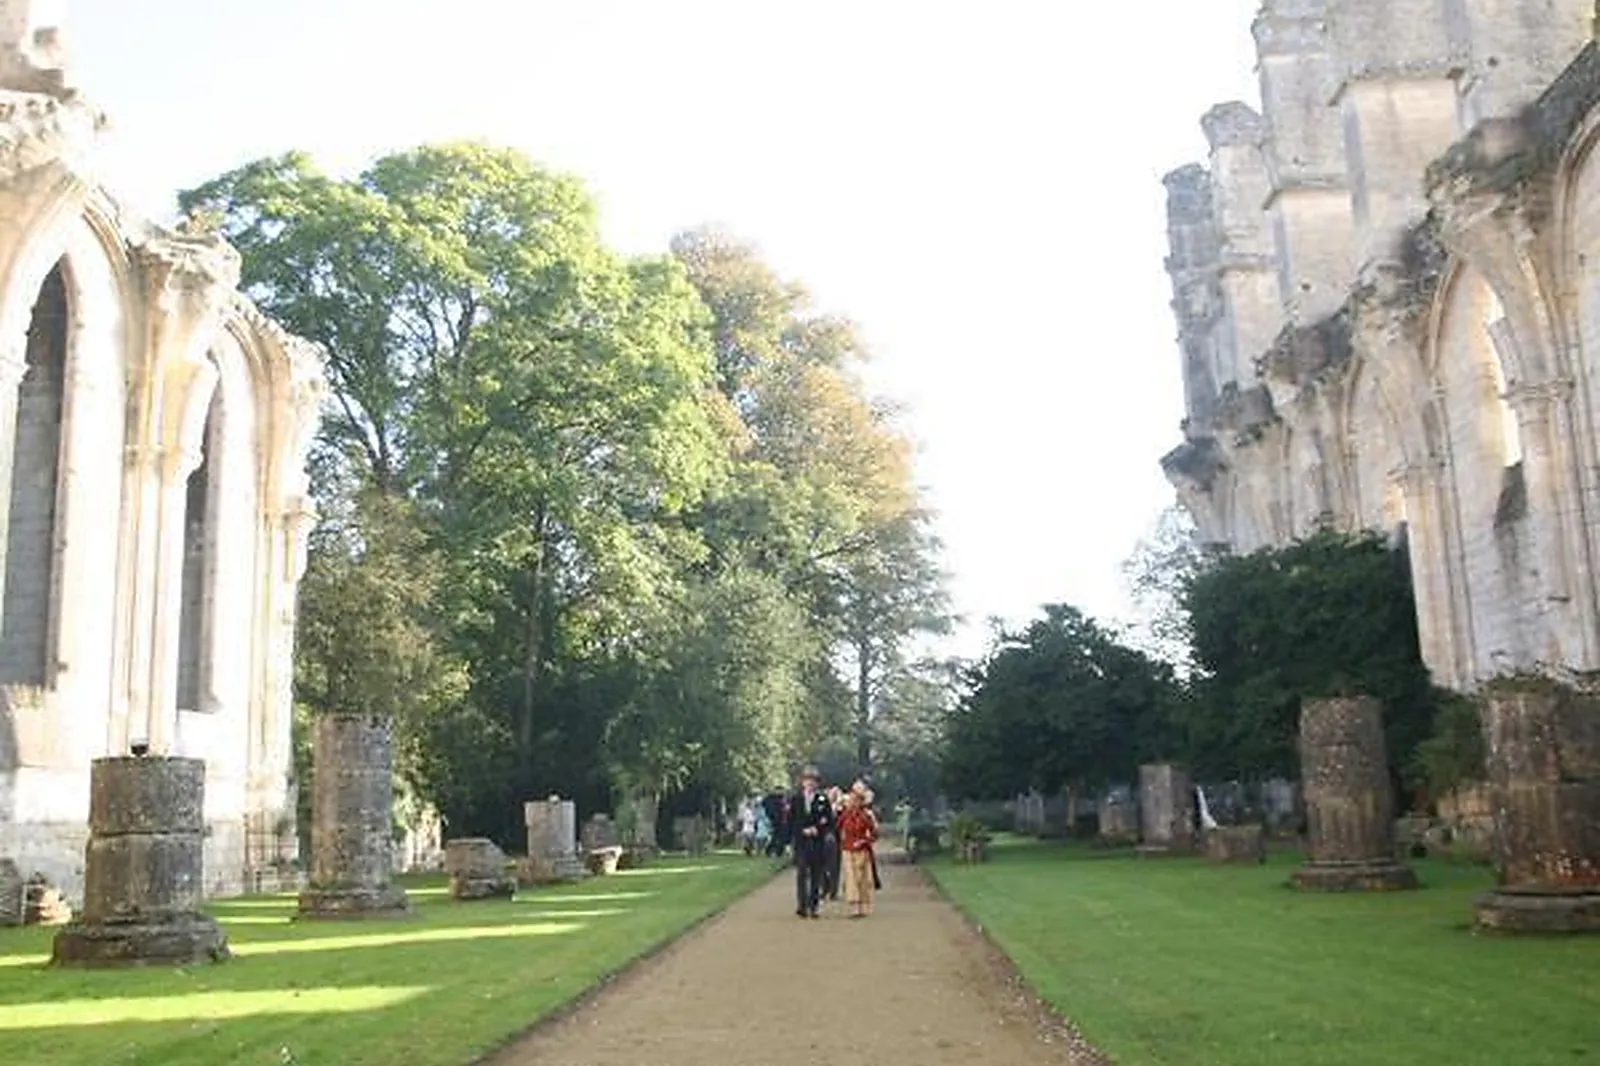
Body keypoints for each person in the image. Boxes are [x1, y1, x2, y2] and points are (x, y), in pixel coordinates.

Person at [788, 765, 835, 919]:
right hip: (801, 842)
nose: (810, 783)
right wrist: (801, 831)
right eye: (807, 780)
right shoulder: (795, 799)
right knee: (802, 873)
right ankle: (802, 906)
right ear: (802, 782)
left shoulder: (822, 799)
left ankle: (814, 906)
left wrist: (819, 829)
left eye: (813, 781)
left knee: (816, 874)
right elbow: (790, 821)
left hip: (817, 842)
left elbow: (829, 820)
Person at [837, 785, 879, 918]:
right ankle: (853, 906)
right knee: (851, 877)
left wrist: (865, 841)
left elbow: (874, 834)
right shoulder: (845, 815)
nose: (853, 803)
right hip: (847, 849)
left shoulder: (866, 816)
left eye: (856, 800)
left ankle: (861, 906)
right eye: (851, 800)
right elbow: (836, 828)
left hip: (862, 849)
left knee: (861, 878)